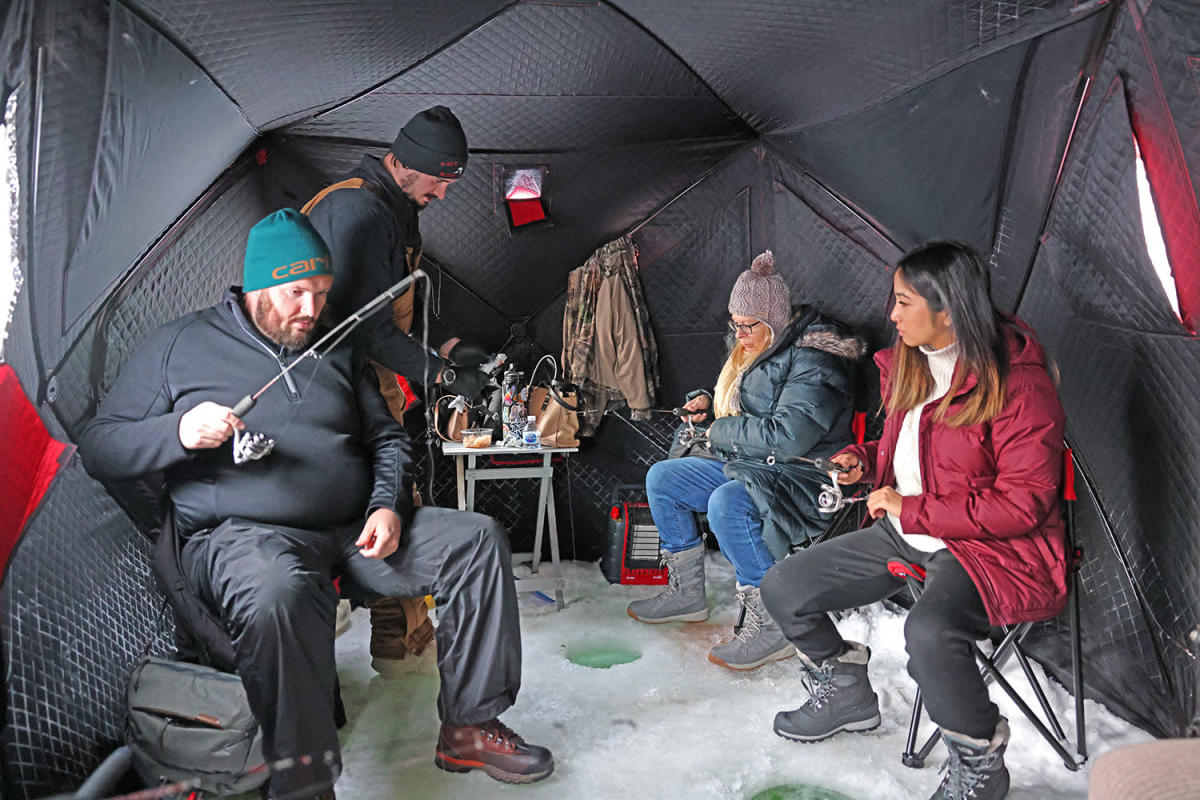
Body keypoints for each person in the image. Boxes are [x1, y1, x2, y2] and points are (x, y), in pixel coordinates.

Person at [79, 210, 554, 800]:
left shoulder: (335, 342)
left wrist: (386, 507)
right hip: (243, 537)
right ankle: (303, 786)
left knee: (475, 538)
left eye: (321, 292)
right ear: (256, 285)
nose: (310, 308)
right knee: (278, 588)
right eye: (296, 292)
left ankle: (469, 726)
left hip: (349, 530)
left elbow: (385, 438)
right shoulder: (181, 345)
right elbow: (100, 446)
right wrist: (176, 432)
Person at [760, 241, 1067, 800]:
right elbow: (920, 453)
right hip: (907, 529)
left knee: (928, 631)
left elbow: (1026, 504)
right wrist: (866, 464)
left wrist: (913, 508)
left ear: (947, 308)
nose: (891, 315)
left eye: (903, 302)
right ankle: (846, 691)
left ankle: (979, 767)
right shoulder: (911, 364)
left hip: (988, 549)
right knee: (783, 586)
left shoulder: (1019, 386)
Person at [626, 251, 863, 670]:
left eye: (746, 326)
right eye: (734, 325)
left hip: (804, 475)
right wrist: (711, 407)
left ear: (772, 320)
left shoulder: (815, 359)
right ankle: (686, 594)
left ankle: (773, 625)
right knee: (664, 478)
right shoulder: (762, 348)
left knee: (728, 503)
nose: (738, 335)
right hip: (755, 463)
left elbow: (789, 437)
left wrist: (719, 431)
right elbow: (754, 411)